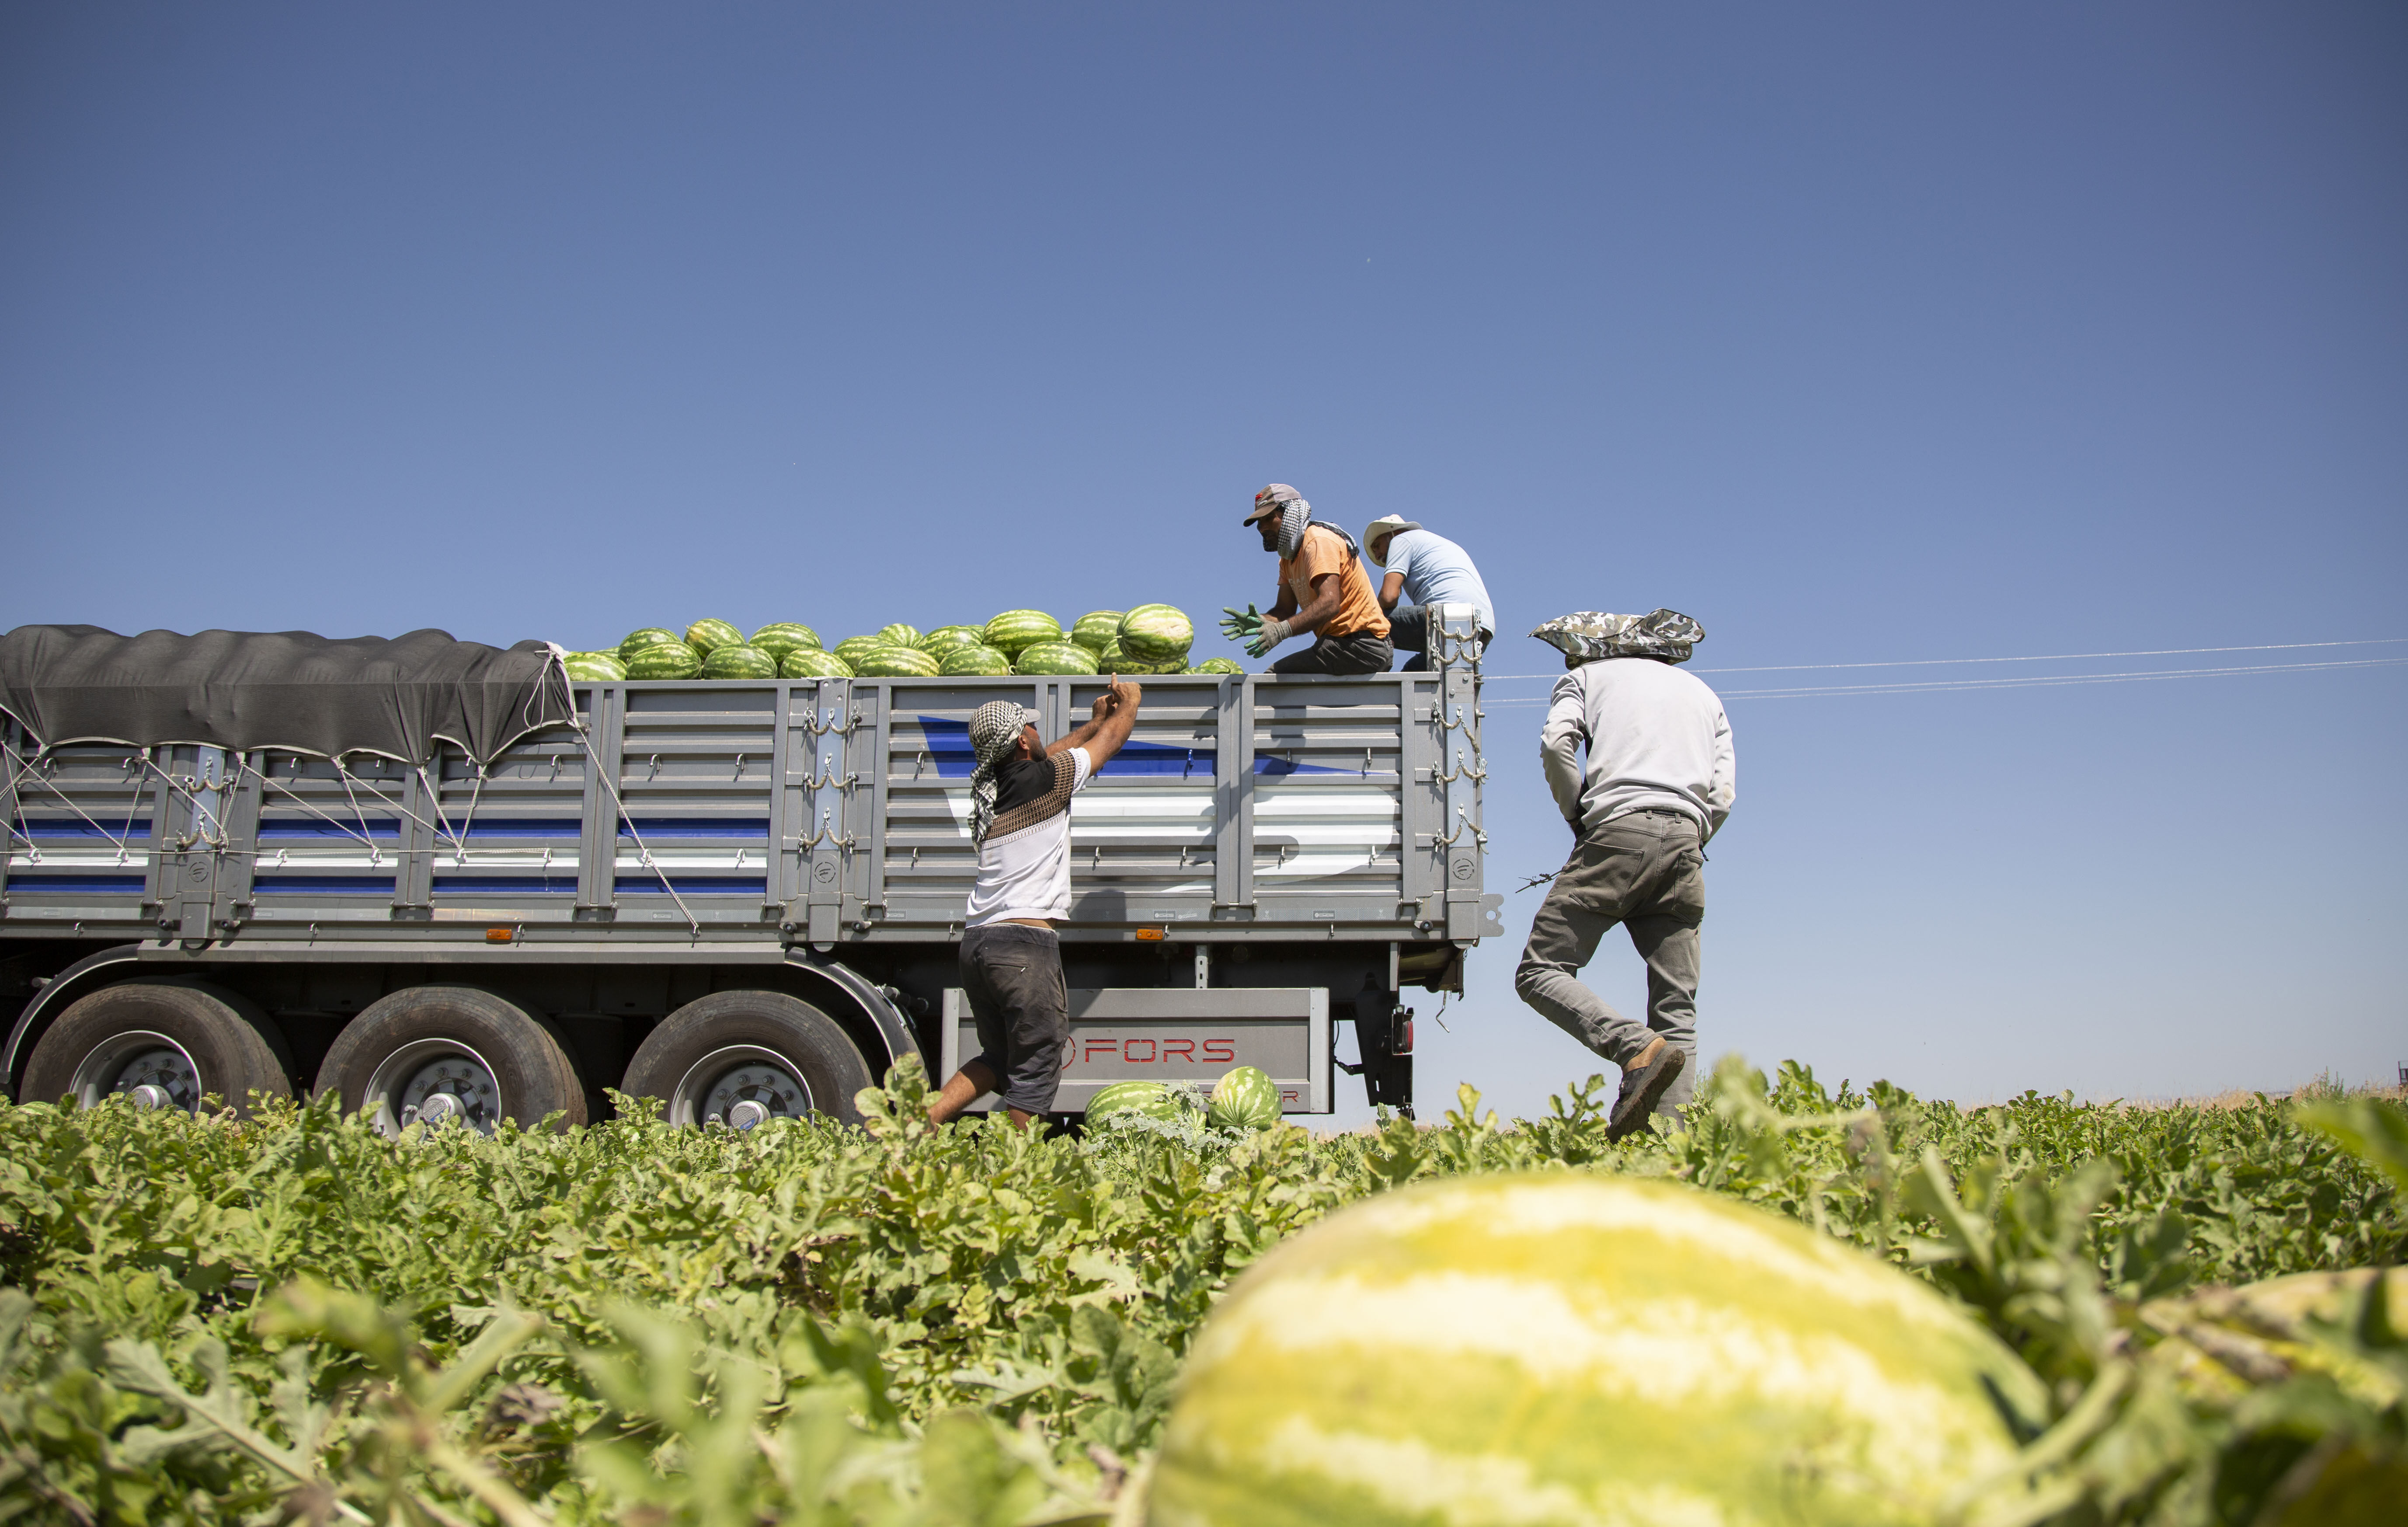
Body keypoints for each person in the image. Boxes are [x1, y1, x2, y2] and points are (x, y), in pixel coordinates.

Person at [1511, 610, 1733, 1140]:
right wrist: (1692, 837)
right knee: (1676, 1006)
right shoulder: (1703, 694)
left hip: (1616, 832)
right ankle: (1669, 1147)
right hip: (1687, 844)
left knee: (1540, 972)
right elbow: (1722, 794)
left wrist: (1578, 814)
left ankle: (1633, 1048)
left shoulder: (1586, 677)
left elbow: (1556, 744)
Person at [926, 680, 1143, 1127]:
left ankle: (923, 1123)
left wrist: (1094, 721)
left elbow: (1055, 753)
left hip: (978, 942)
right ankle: (1015, 1168)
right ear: (1023, 740)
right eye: (1031, 727)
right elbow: (1111, 744)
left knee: (1001, 1056)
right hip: (1022, 946)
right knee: (1038, 1063)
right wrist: (1130, 704)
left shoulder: (997, 787)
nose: (1038, 732)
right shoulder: (1043, 781)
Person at [1220, 483, 1393, 675]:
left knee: (1274, 679)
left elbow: (1329, 603)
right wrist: (1262, 621)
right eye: (1259, 523)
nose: (1262, 528)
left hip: (1363, 645)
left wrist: (1281, 632)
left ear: (1291, 514)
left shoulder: (1318, 542)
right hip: (1340, 645)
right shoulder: (1287, 560)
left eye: (1269, 518)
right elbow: (1284, 610)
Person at [1361, 515, 1496, 671]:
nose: (1377, 554)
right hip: (1480, 631)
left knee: (1362, 622)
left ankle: (1360, 682)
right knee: (1411, 674)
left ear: (1394, 533)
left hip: (1449, 618)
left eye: (1377, 546)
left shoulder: (1402, 540)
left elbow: (1388, 597)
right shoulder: (1434, 543)